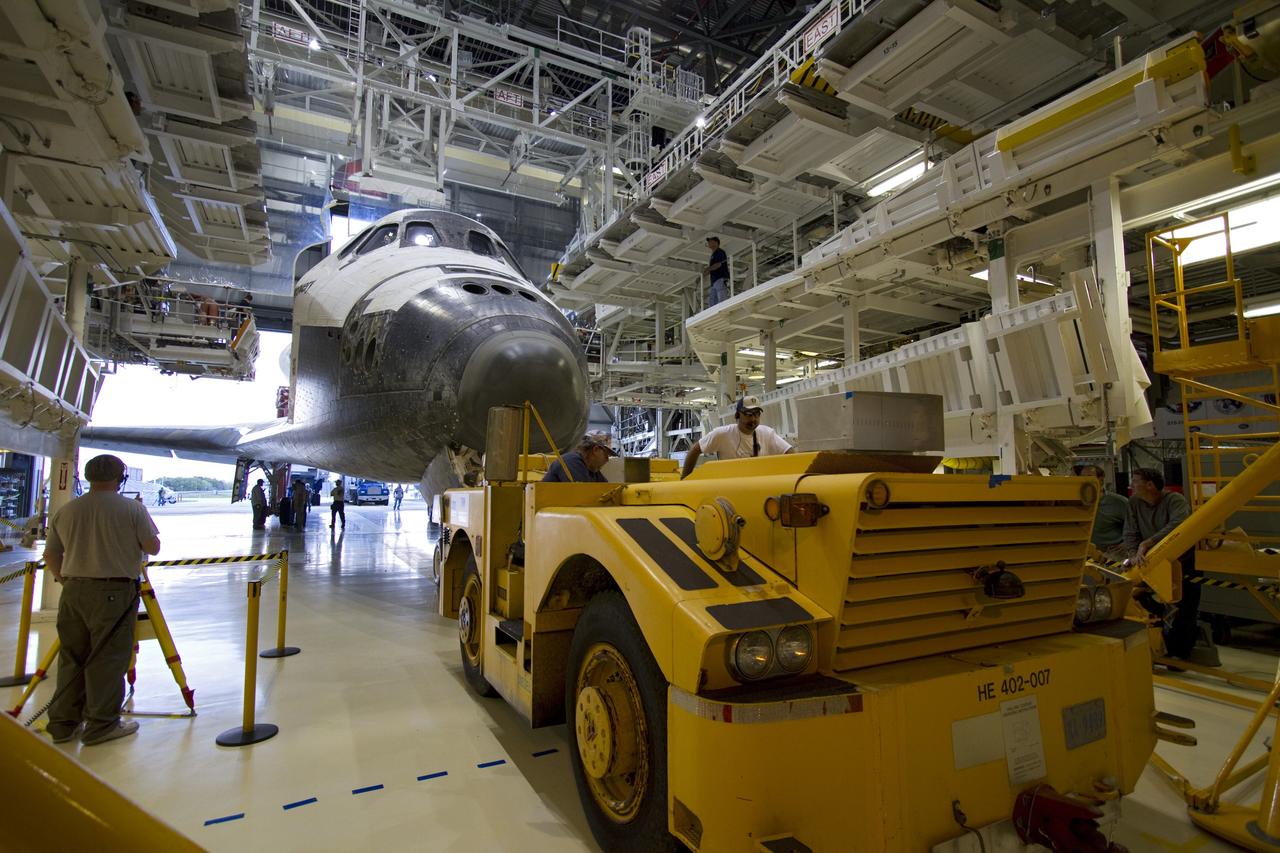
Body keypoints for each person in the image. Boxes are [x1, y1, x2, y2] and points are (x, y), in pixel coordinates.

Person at [42, 454, 160, 746]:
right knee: (107, 658)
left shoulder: (67, 511)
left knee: (72, 656)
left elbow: (50, 555)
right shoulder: (132, 509)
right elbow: (153, 547)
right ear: (121, 478)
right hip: (113, 592)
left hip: (73, 591)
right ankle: (102, 725)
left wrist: (65, 580)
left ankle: (62, 725)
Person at [1123, 467, 1197, 658]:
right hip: (1149, 562)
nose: (1132, 484)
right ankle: (1158, 647)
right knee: (1142, 601)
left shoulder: (1174, 501)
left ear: (1150, 485)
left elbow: (1178, 526)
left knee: (1184, 607)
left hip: (1182, 560)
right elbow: (1130, 532)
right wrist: (1132, 554)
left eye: (1136, 480)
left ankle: (1181, 654)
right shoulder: (1134, 503)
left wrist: (1148, 543)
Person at [682, 395, 792, 479]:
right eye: (748, 414)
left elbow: (790, 452)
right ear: (737, 415)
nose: (753, 419)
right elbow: (695, 450)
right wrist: (685, 480)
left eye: (756, 414)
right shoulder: (722, 434)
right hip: (730, 490)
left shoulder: (767, 434)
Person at [1079, 464, 1128, 560]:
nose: (1085, 481)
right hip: (1086, 554)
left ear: (1101, 480)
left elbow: (1136, 526)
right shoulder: (1077, 503)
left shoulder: (1119, 502)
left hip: (1112, 554)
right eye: (1082, 478)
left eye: (1089, 477)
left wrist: (1126, 544)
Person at [543, 433, 616, 483]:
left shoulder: (591, 469)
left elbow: (605, 488)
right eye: (606, 455)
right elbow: (582, 493)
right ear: (595, 450)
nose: (607, 460)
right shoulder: (571, 461)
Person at [704, 236, 729, 307]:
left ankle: (723, 308)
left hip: (719, 278)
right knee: (712, 302)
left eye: (710, 241)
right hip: (714, 281)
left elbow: (718, 264)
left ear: (716, 243)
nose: (709, 243)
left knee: (721, 298)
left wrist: (708, 269)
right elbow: (713, 267)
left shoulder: (719, 252)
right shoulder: (714, 254)